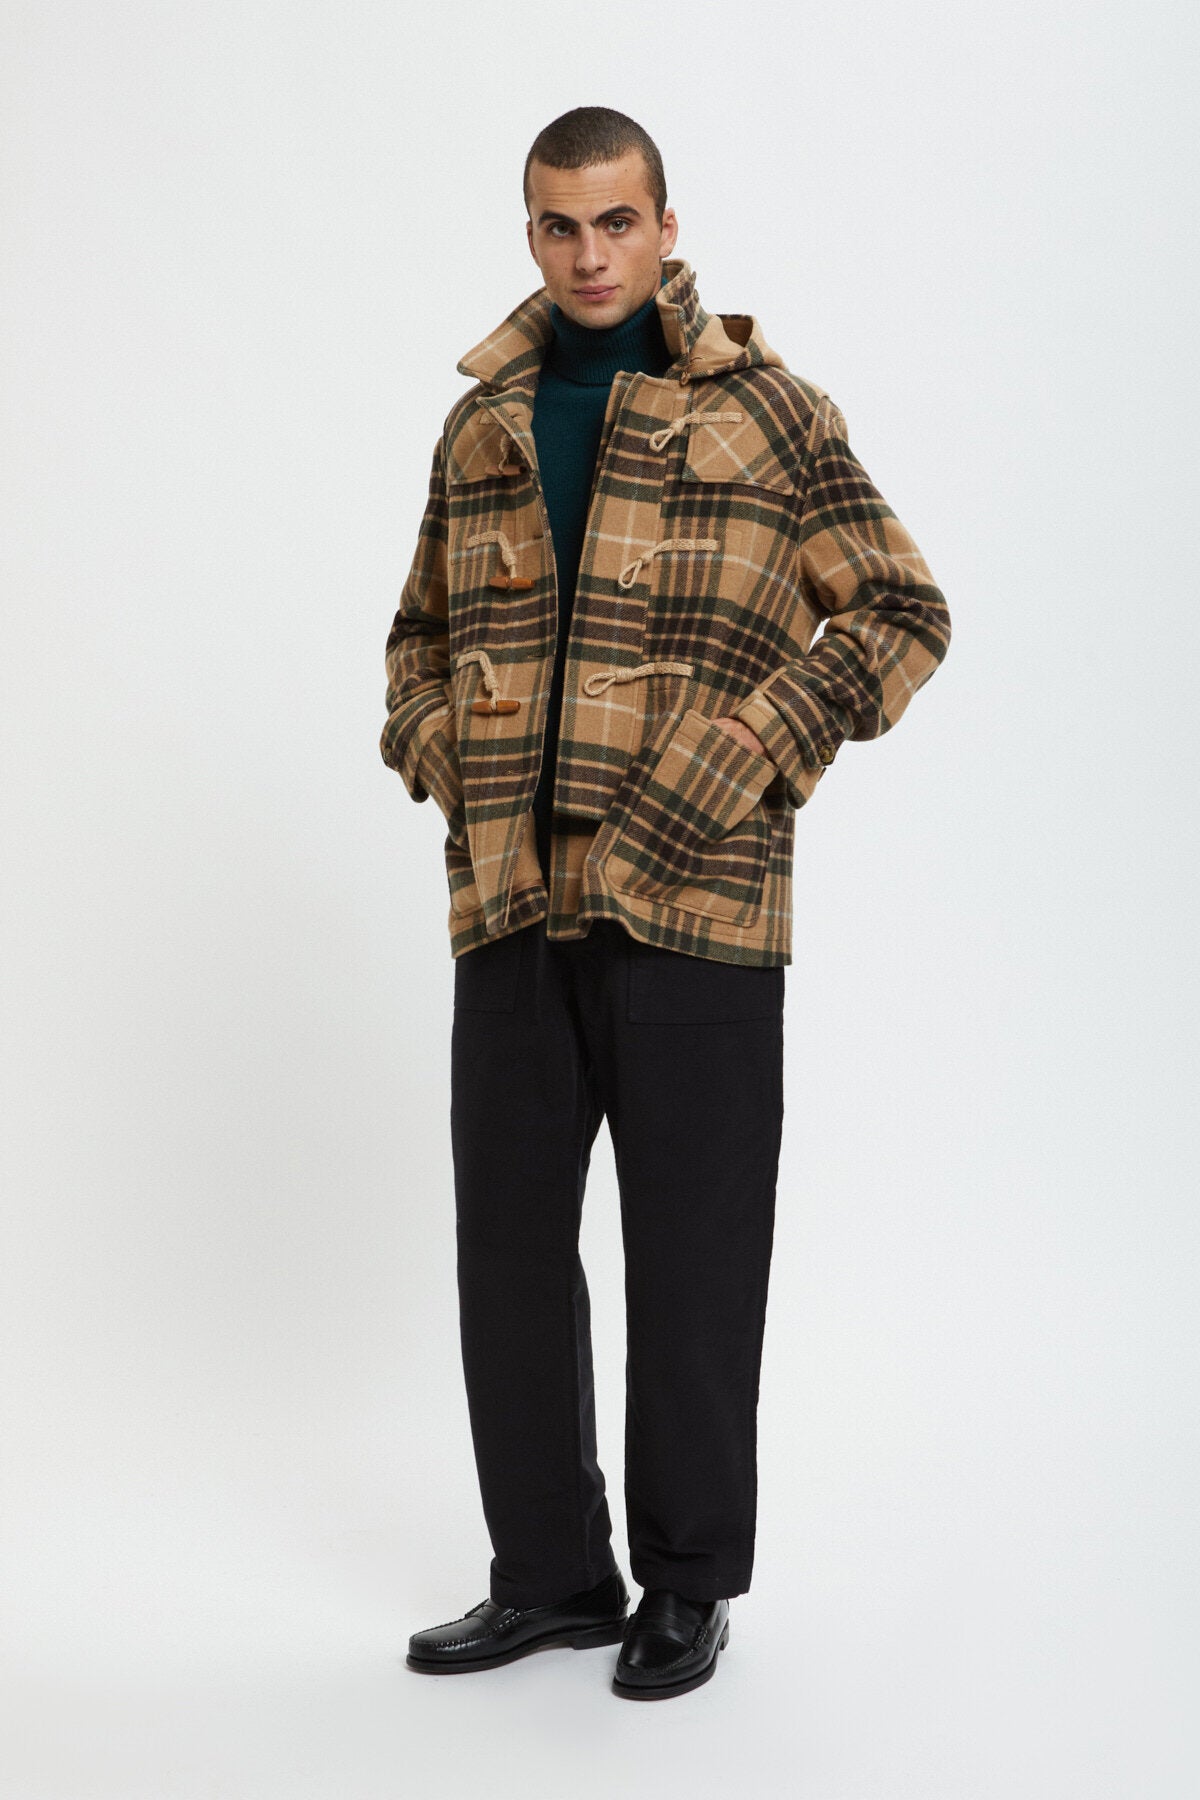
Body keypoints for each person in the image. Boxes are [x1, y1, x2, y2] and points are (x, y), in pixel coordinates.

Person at [381, 106, 951, 1701]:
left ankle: (689, 1585)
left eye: (616, 221)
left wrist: (749, 749)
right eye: (560, 226)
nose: (590, 255)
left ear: (666, 225)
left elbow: (902, 610)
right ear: (531, 233)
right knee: (507, 1257)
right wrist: (438, 744)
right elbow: (414, 639)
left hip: (700, 906)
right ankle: (552, 1577)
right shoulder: (482, 426)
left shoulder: (768, 413)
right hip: (514, 902)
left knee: (695, 1264)